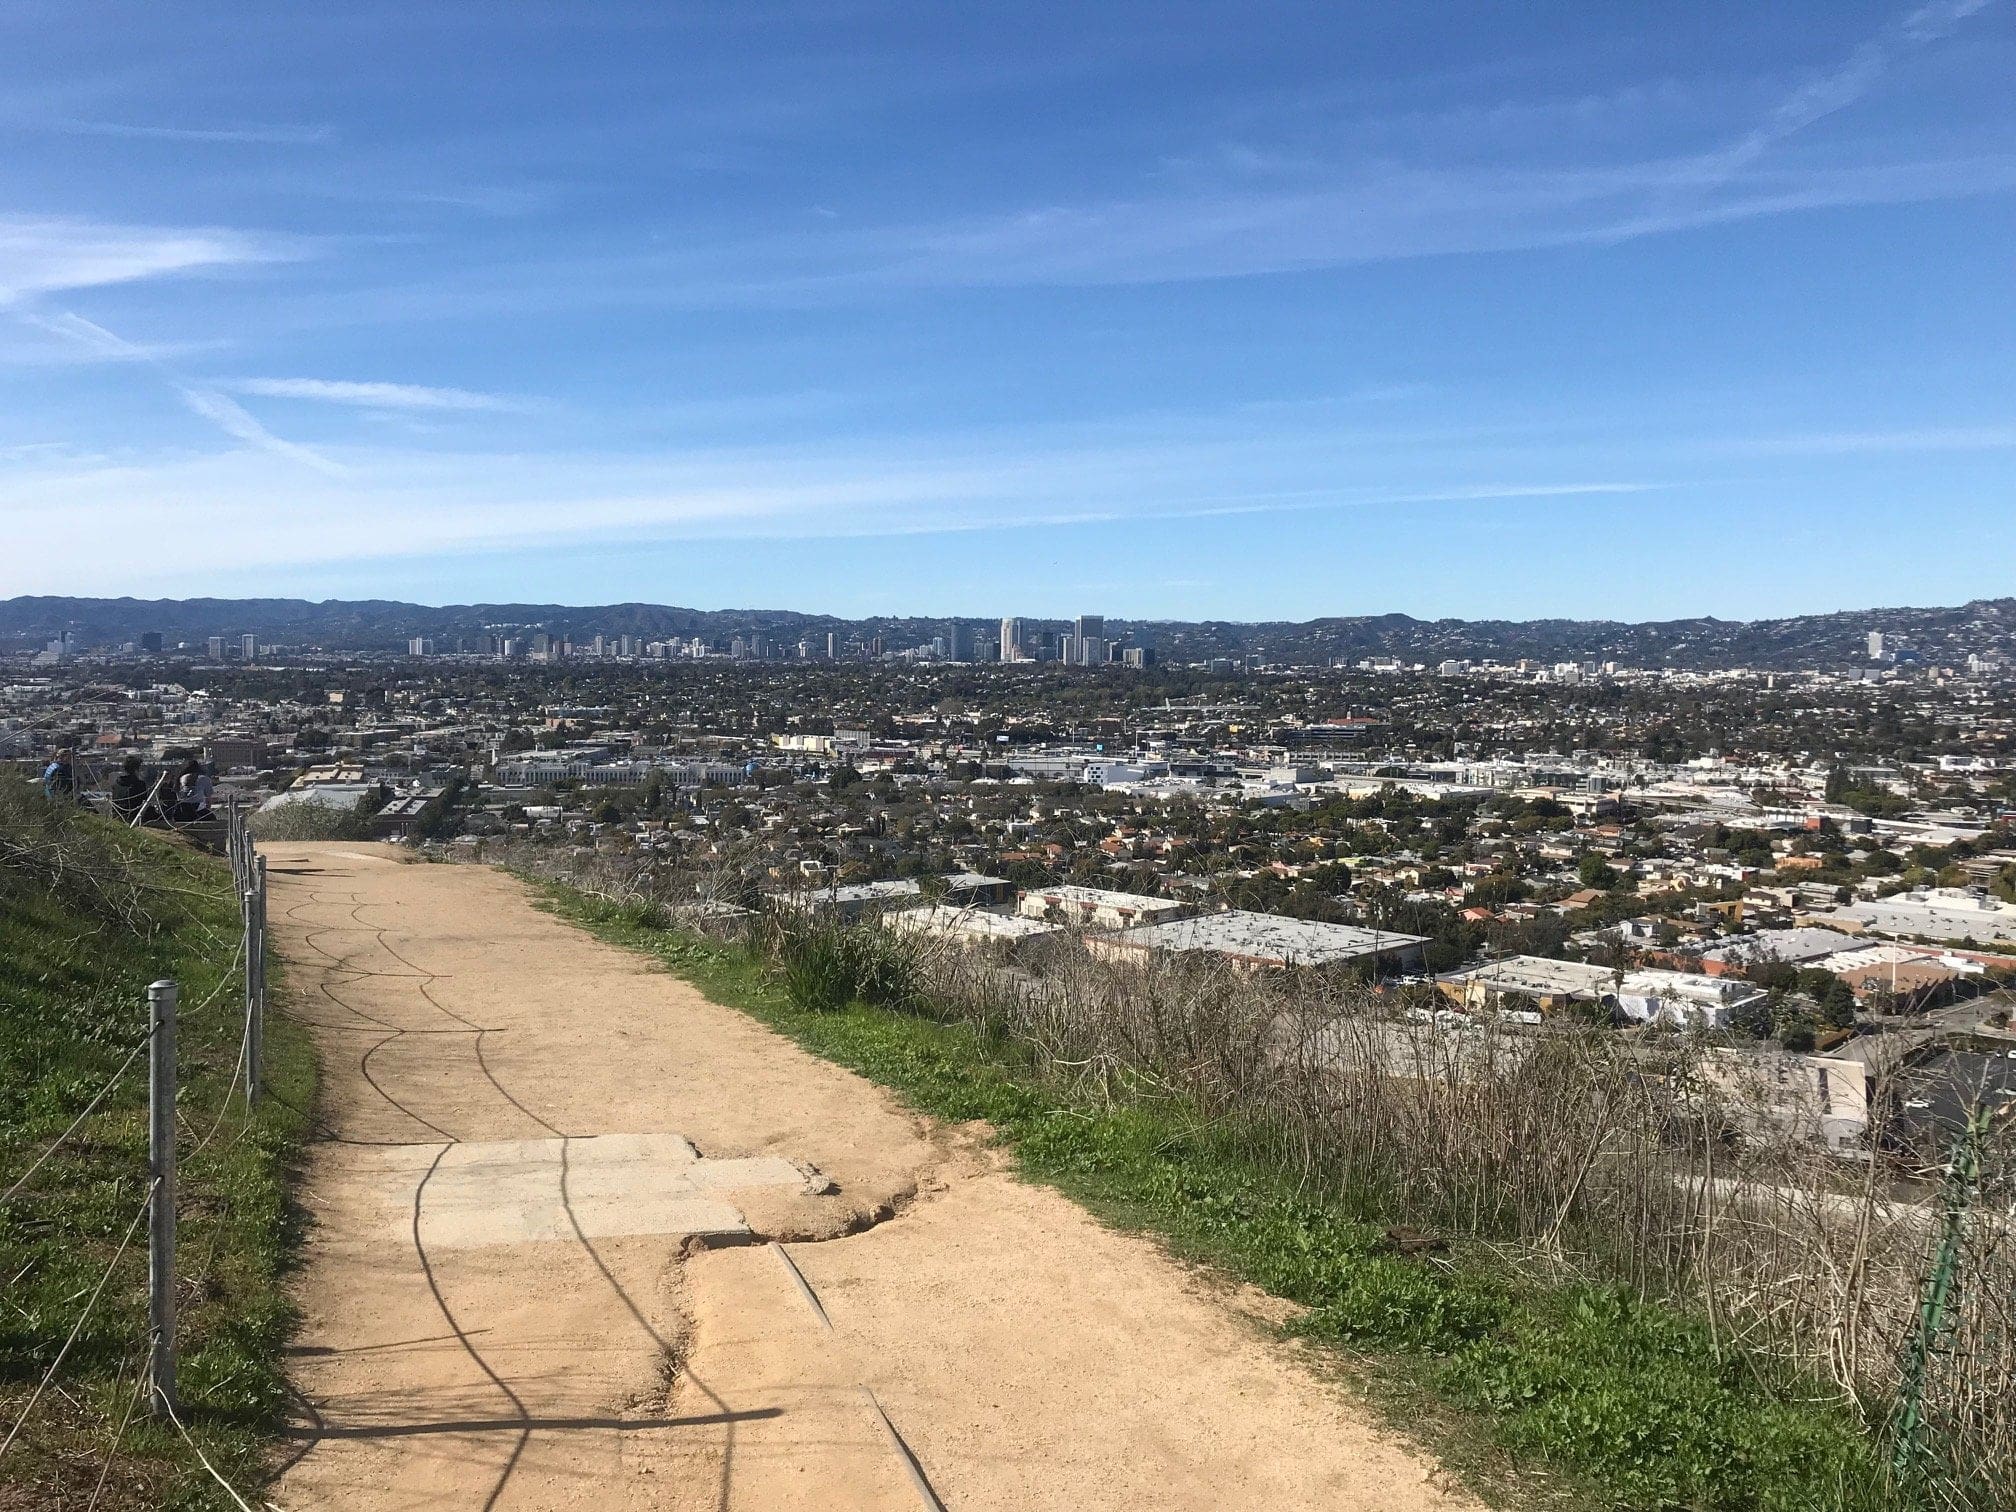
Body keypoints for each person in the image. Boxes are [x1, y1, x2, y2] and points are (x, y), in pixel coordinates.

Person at [110, 754, 153, 823]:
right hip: (133, 816)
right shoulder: (139, 784)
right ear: (136, 770)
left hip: (118, 815)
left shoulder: (116, 784)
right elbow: (143, 803)